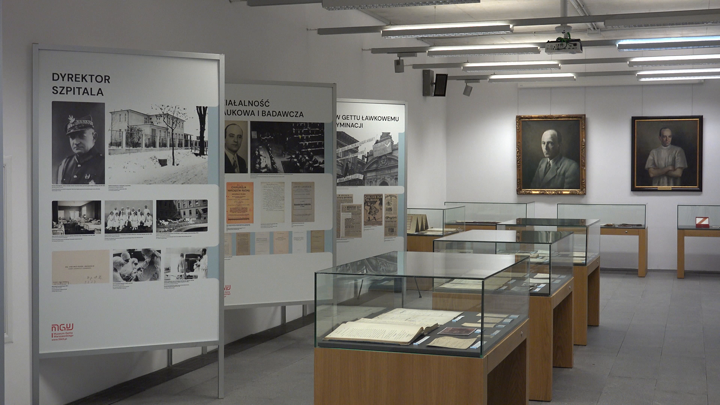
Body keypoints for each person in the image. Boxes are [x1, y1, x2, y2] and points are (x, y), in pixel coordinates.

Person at [56, 115, 105, 184]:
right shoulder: (65, 164)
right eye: (72, 137)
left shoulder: (104, 164)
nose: (76, 142)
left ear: (94, 137)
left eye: (82, 136)